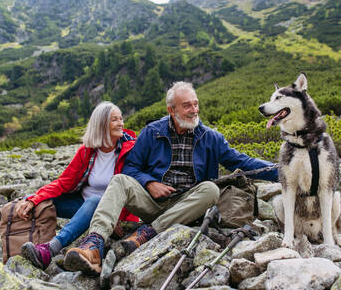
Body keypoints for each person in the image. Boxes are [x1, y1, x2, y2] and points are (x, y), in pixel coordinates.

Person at [63, 82, 278, 275]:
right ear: (171, 110)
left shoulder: (211, 138)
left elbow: (243, 162)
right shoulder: (152, 132)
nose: (194, 110)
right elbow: (130, 167)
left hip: (187, 208)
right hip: (151, 202)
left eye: (195, 104)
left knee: (211, 190)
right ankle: (94, 245)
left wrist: (282, 170)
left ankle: (146, 234)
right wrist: (149, 183)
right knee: (119, 180)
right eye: (186, 105)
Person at [16, 101, 138, 270]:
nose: (121, 123)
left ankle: (50, 249)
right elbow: (63, 182)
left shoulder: (131, 150)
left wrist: (116, 215)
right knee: (42, 202)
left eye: (121, 119)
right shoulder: (87, 151)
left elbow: (134, 189)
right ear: (101, 124)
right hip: (83, 205)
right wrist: (32, 199)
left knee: (95, 201)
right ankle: (25, 241)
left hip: (115, 214)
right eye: (114, 120)